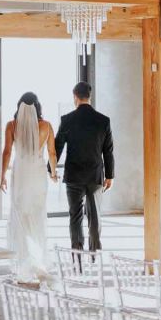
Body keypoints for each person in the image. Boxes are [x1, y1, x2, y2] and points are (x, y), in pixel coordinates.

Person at [0, 91, 58, 283]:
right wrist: (53, 172)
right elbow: (52, 152)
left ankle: (26, 258)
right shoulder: (46, 126)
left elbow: (7, 152)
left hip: (21, 172)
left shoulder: (12, 125)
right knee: (37, 212)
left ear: (19, 107)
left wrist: (2, 176)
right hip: (38, 172)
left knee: (20, 212)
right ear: (37, 107)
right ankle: (37, 257)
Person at [54, 81, 113, 251]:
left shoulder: (67, 120)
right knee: (95, 216)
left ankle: (77, 254)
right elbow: (108, 151)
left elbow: (58, 146)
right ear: (89, 97)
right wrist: (110, 175)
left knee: (76, 216)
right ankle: (95, 253)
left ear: (75, 97)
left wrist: (51, 169)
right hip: (95, 175)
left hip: (73, 175)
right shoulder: (103, 121)